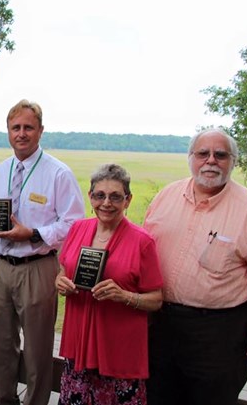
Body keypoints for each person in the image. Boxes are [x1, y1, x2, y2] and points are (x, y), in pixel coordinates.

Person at [143, 128, 247, 405]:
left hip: (220, 333)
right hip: (163, 324)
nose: (211, 160)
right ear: (190, 158)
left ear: (233, 161)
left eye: (220, 155)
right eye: (203, 153)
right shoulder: (166, 197)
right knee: (158, 395)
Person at [0, 99, 85, 405]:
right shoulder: (2, 169)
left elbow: (74, 223)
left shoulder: (58, 173)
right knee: (0, 342)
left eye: (28, 127)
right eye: (15, 127)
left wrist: (34, 233)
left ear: (40, 131)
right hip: (1, 266)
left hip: (38, 267)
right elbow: (2, 215)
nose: (21, 133)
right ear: (8, 131)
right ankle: (4, 399)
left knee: (37, 348)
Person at [55, 163, 163, 405]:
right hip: (79, 341)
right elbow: (63, 270)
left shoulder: (142, 241)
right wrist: (61, 283)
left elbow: (156, 299)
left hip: (118, 348)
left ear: (128, 200)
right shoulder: (78, 228)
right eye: (100, 195)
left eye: (115, 197)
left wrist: (124, 295)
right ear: (90, 197)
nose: (106, 203)